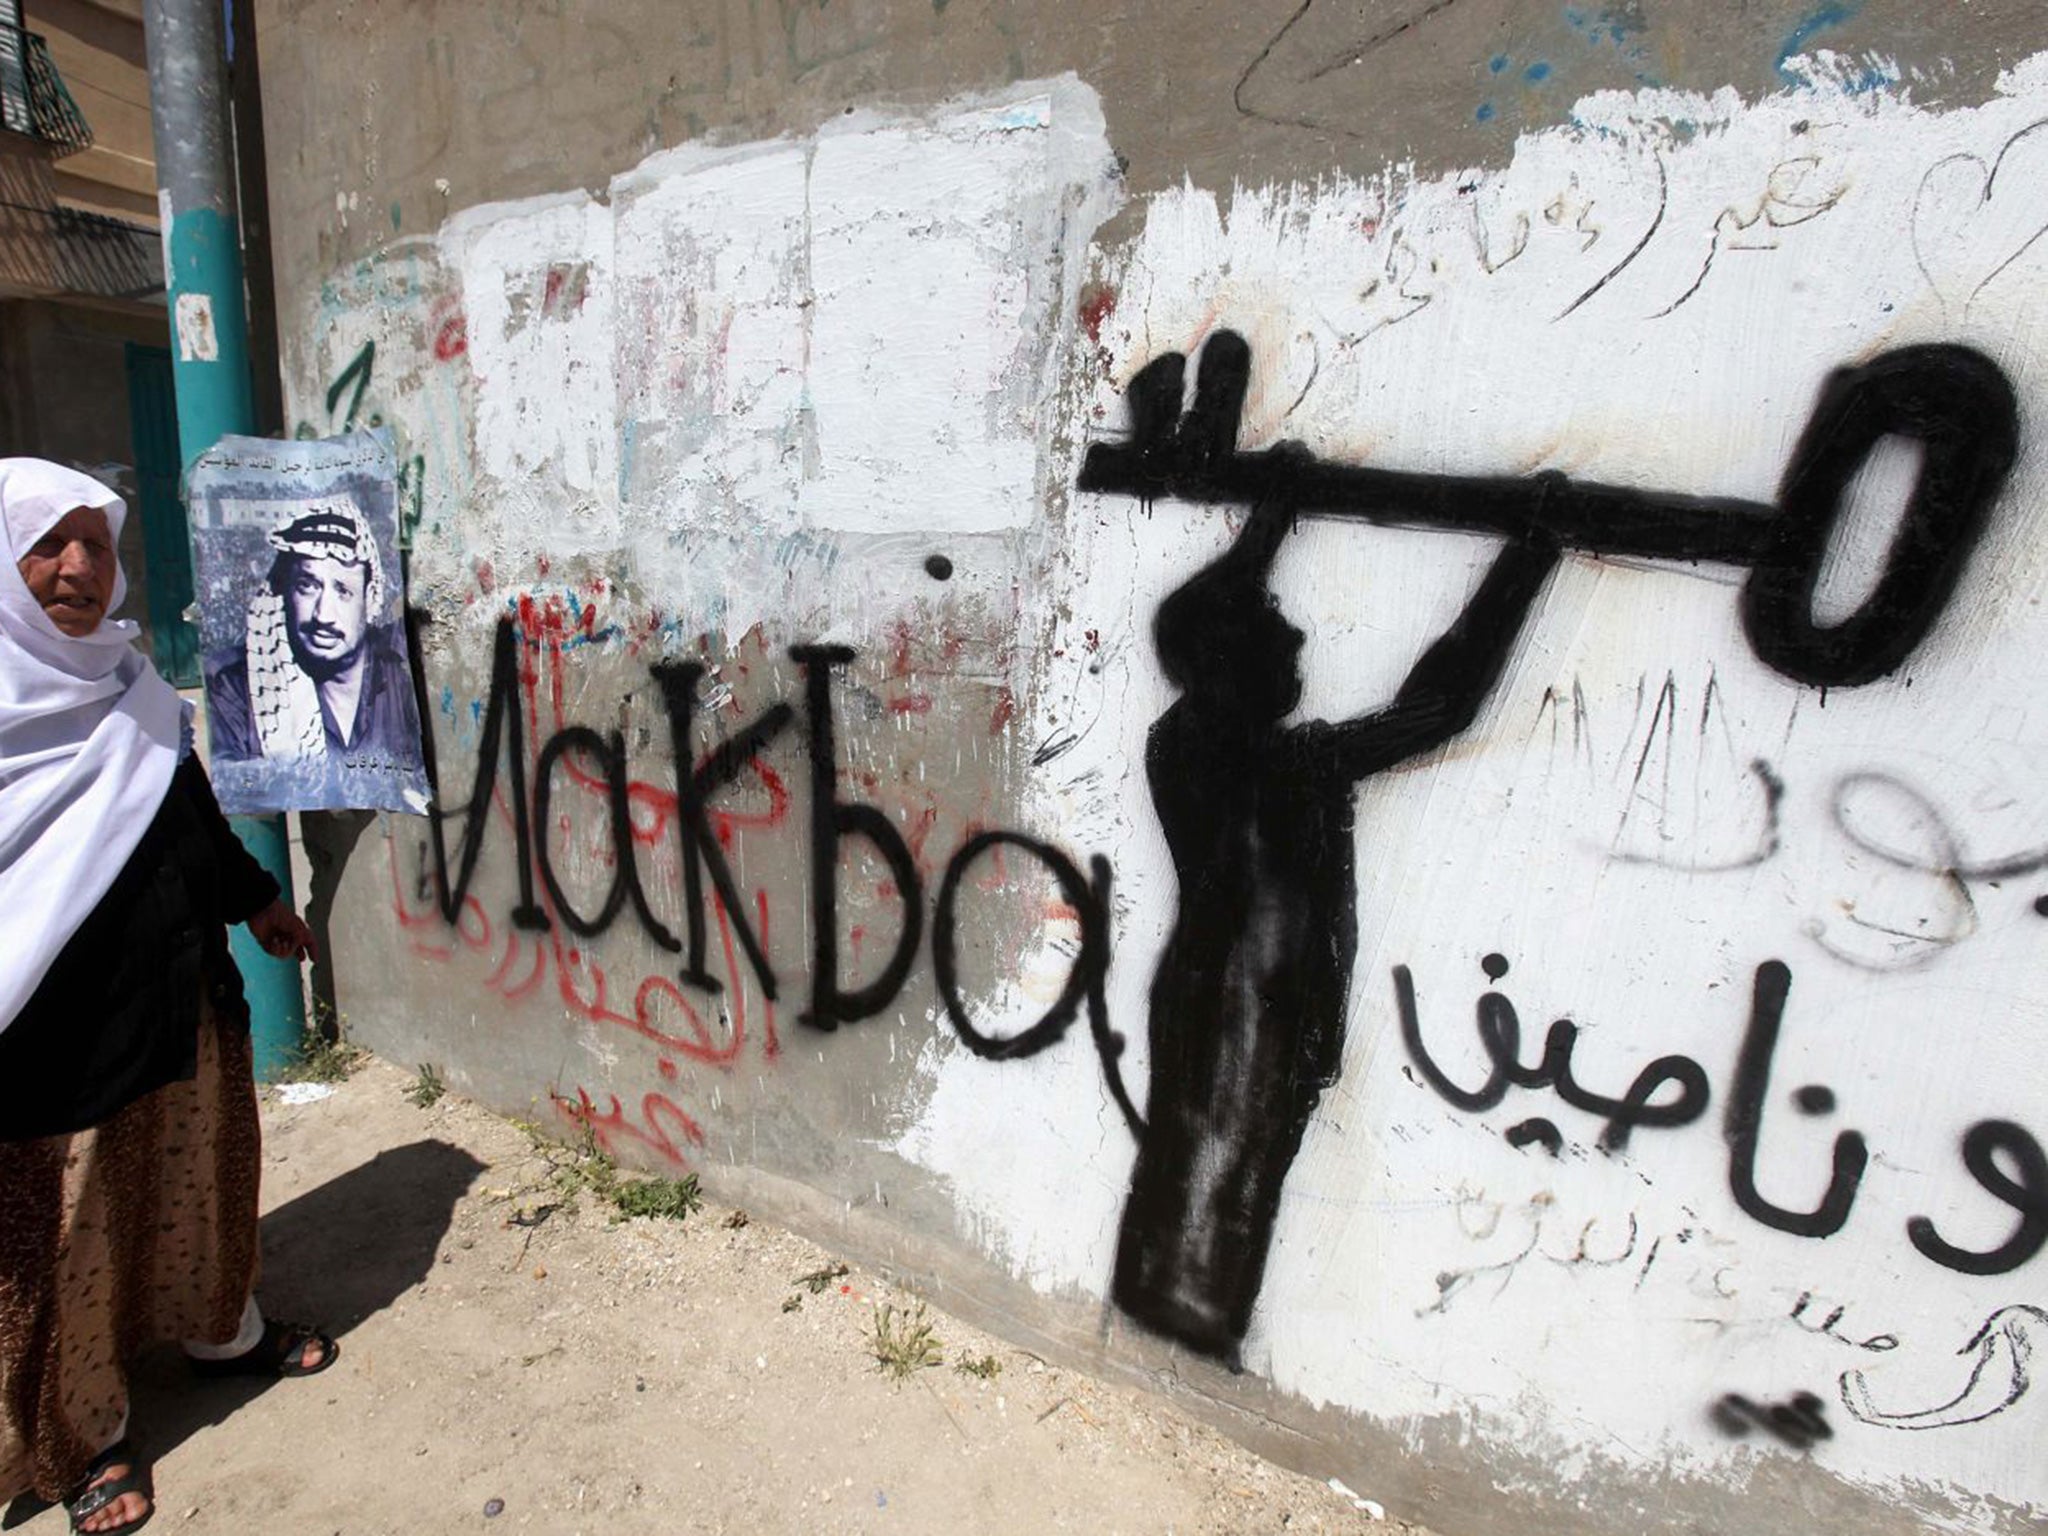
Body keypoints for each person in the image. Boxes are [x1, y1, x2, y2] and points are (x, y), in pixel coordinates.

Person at [0, 460, 338, 1535]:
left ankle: (220, 1333)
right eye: (48, 543)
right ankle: (81, 1437)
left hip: (182, 998)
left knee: (202, 1178)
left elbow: (177, 805)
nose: (77, 567)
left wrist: (254, 901)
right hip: (56, 1037)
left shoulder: (131, 686)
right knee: (73, 1235)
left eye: (95, 543)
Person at [204, 500, 422, 766]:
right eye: (307, 586)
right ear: (284, 590)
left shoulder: (404, 673)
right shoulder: (237, 692)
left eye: (343, 590)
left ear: (370, 597)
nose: (323, 615)